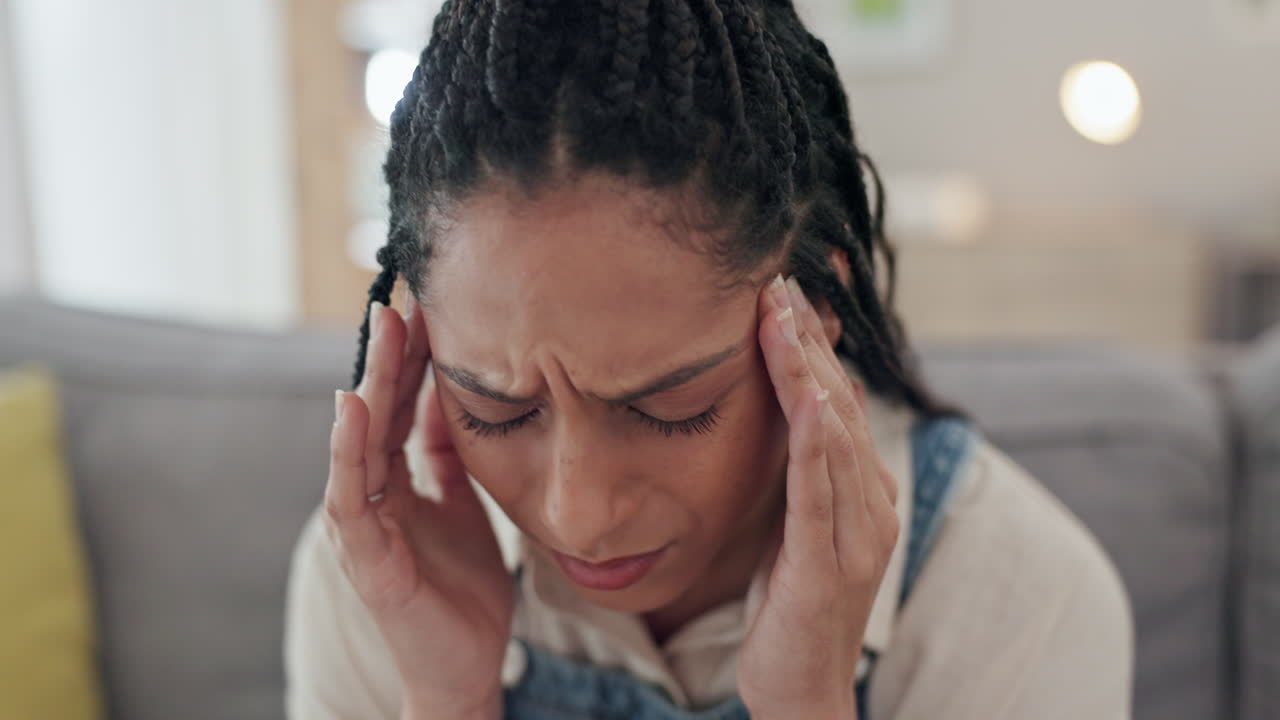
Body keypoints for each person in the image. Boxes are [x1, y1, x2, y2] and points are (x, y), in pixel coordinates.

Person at [285, 1, 1134, 718]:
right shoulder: (378, 574)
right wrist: (449, 700)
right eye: (496, 411)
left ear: (821, 306)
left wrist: (808, 703)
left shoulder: (1017, 600)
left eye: (669, 408)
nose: (578, 515)